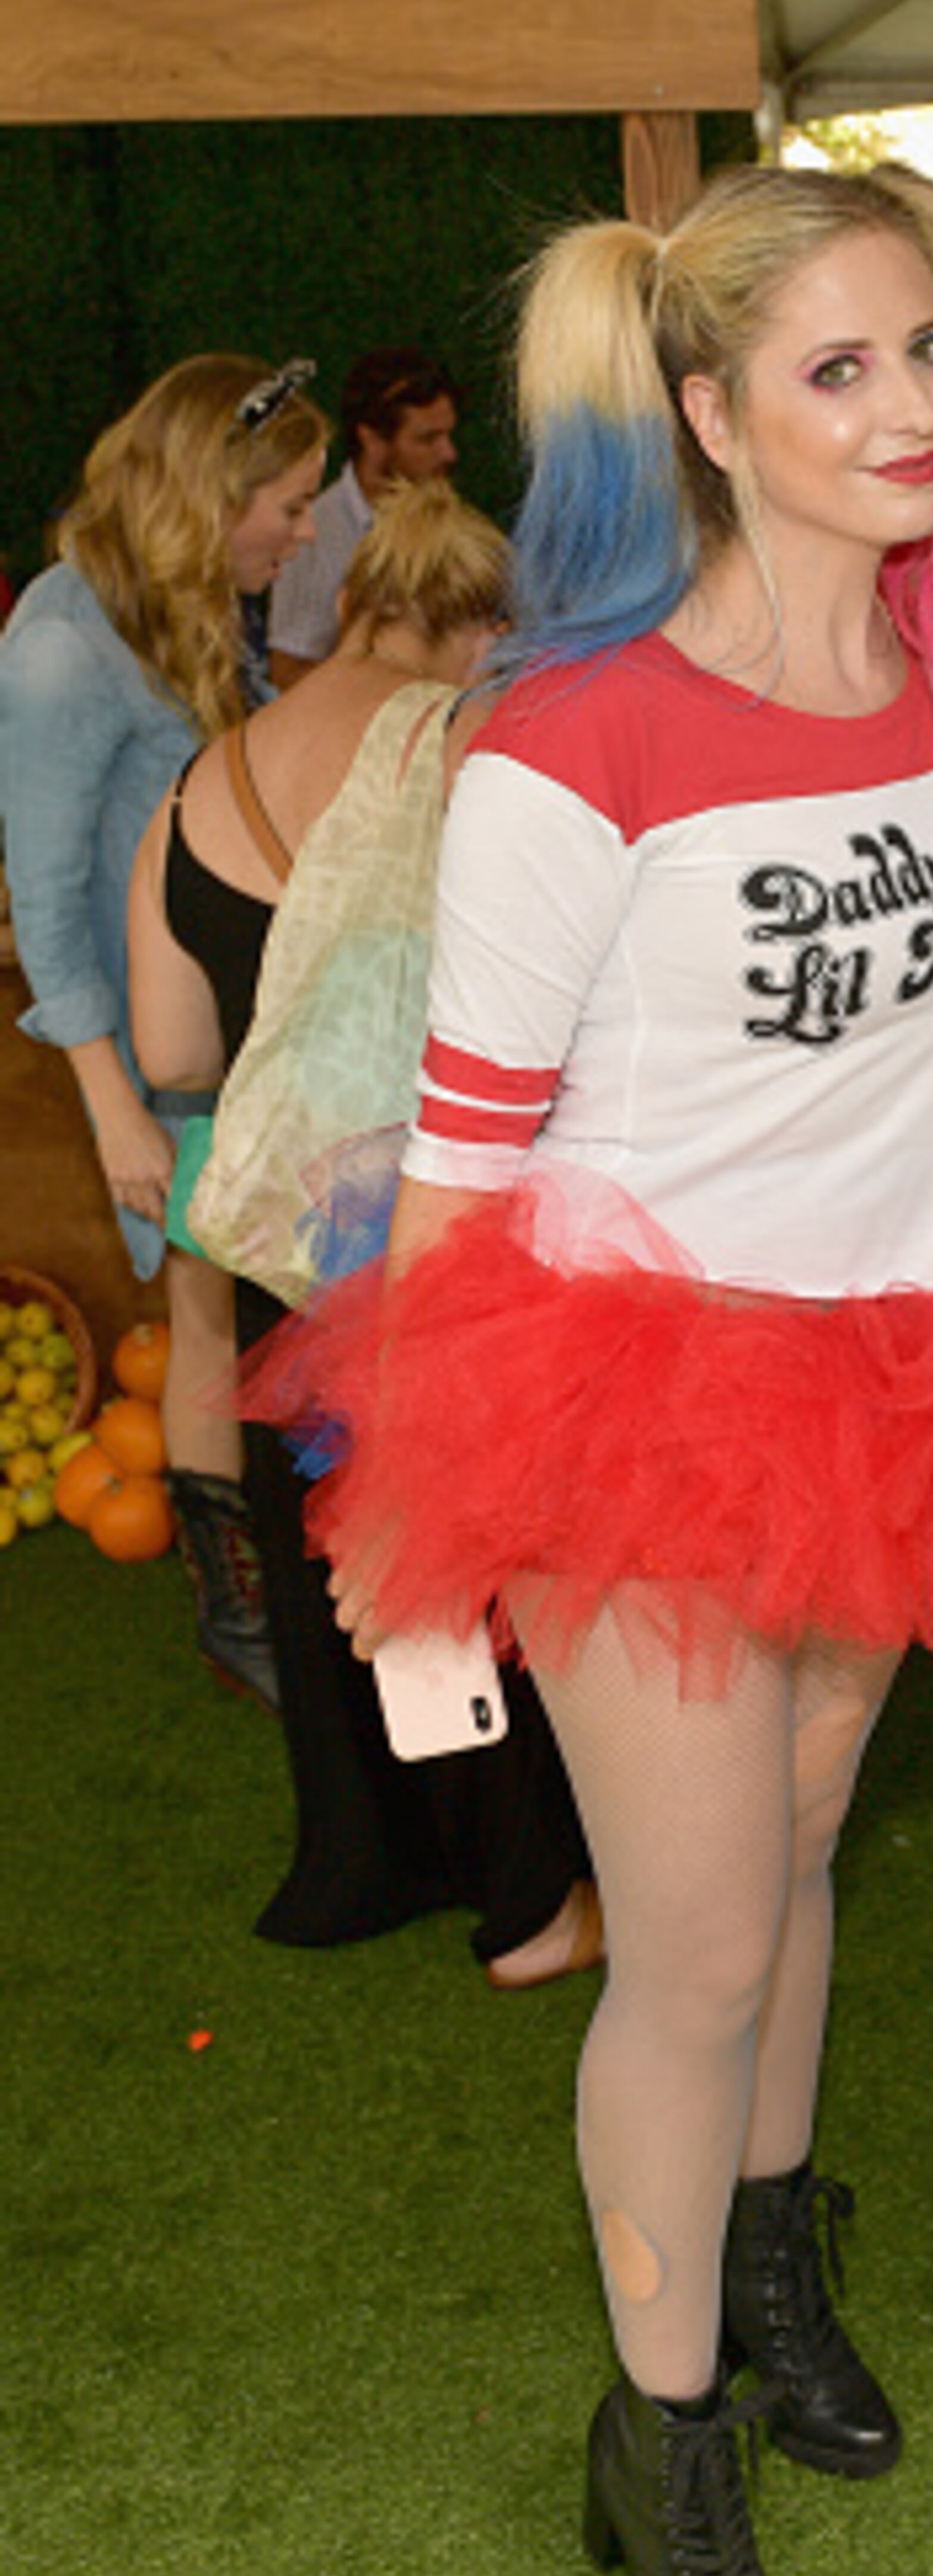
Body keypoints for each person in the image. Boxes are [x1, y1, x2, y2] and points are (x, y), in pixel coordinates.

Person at [246, 162, 933, 2576]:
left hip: (895, 1377)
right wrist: (425, 1540)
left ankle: (762, 2274)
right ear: (711, 416)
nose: (911, 413)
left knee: (807, 1866)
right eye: (834, 372)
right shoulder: (574, 733)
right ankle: (663, 2444)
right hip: (639, 1403)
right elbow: (468, 1177)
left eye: (928, 353)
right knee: (697, 1941)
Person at [125, 479, 600, 1986]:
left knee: (327, 1539)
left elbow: (174, 1043)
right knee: (482, 1540)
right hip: (453, 1217)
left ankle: (362, 1855)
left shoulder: (201, 782)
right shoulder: (468, 746)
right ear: (473, 624)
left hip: (280, 1244)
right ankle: (533, 1889)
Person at [0, 352, 329, 1700]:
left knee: (249, 1307)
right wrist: (112, 1101)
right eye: (290, 508)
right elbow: (44, 891)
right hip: (158, 1053)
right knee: (206, 1307)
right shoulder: (65, 645)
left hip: (230, 1016)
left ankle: (281, 1574)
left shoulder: (187, 601)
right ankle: (238, 1599)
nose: (304, 534)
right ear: (213, 494)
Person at [269, 349, 460, 684]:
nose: (449, 453)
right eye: (427, 439)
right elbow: (287, 674)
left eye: (448, 436)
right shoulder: (316, 535)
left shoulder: (453, 522)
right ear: (371, 439)